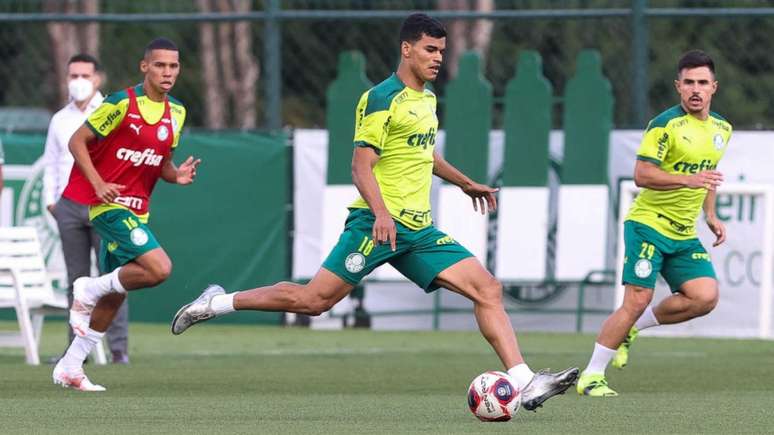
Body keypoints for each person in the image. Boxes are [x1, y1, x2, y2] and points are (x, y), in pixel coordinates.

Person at [171, 13, 577, 411]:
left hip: (417, 231)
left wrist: (464, 181)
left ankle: (524, 381)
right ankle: (218, 302)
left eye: (441, 51)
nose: (438, 58)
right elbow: (360, 165)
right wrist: (381, 212)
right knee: (313, 301)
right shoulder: (381, 98)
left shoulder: (427, 97)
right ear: (407, 49)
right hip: (375, 224)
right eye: (429, 49)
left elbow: (424, 154)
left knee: (487, 288)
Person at [577, 50, 731, 397]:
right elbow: (642, 174)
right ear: (678, 86)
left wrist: (710, 214)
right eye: (688, 82)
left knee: (705, 297)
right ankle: (591, 376)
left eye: (702, 83)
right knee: (636, 299)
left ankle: (633, 329)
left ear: (714, 87)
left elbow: (706, 177)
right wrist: (686, 180)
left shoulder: (722, 129)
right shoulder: (664, 125)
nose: (695, 89)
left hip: (683, 232)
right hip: (648, 225)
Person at [52, 37, 200, 391]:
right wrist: (98, 183)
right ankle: (87, 288)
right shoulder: (121, 102)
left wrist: (175, 174)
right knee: (160, 268)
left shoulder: (176, 112)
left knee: (115, 294)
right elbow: (76, 141)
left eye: (174, 66)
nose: (167, 72)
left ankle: (70, 366)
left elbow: (162, 163)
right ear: (144, 66)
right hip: (108, 206)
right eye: (160, 65)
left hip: (139, 211)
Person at [43, 53, 131, 364]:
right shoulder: (60, 119)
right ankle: (74, 350)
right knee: (76, 280)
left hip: (104, 206)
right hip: (69, 206)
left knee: (114, 277)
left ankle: (118, 349)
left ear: (97, 79)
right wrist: (51, 201)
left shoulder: (112, 112)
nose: (77, 81)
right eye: (72, 75)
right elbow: (52, 163)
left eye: (84, 75)